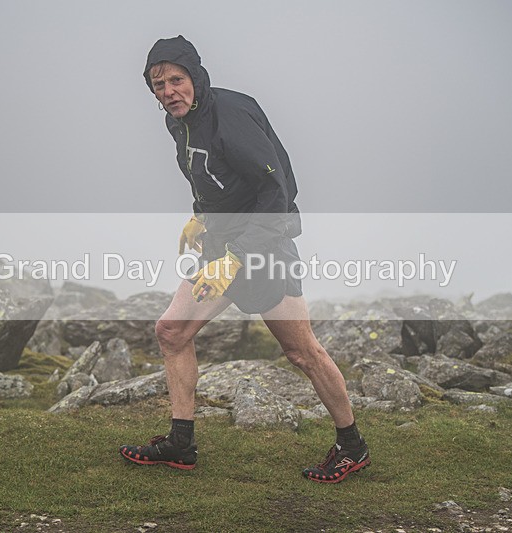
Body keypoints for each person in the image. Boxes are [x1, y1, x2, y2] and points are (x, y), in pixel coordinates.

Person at [119, 35, 370, 483]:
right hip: (221, 246)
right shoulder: (180, 121)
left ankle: (352, 447)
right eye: (158, 84)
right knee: (172, 332)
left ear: (195, 77)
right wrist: (200, 217)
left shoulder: (231, 115)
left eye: (176, 80)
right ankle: (181, 444)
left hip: (264, 247)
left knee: (302, 352)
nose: (168, 91)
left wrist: (236, 258)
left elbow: (277, 192)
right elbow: (212, 177)